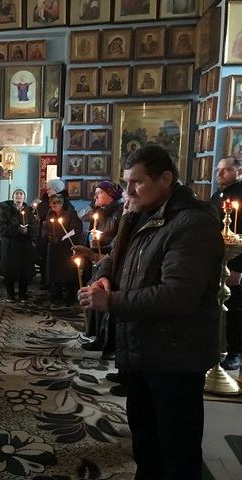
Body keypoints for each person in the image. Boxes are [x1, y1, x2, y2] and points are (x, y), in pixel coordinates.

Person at [78, 145, 223, 479]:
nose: (127, 191)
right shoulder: (140, 213)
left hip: (175, 355)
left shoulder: (193, 223)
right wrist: (103, 277)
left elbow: (178, 296)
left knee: (176, 450)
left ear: (165, 179)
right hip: (142, 348)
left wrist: (111, 302)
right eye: (125, 183)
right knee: (146, 444)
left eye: (137, 182)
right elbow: (115, 258)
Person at [76, 182, 124, 355]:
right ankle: (98, 336)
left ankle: (105, 340)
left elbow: (117, 240)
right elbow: (82, 216)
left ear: (111, 195)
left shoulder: (119, 212)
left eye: (99, 193)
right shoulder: (99, 210)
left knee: (102, 296)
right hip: (98, 257)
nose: (95, 196)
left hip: (108, 258)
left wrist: (101, 245)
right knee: (93, 290)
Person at [210, 156, 242, 370]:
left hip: (235, 261)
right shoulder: (218, 194)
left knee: (234, 308)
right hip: (217, 258)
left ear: (239, 172)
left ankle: (235, 351)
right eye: (218, 169)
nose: (219, 174)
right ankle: (215, 347)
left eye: (226, 170)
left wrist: (238, 268)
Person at [0, 189, 39, 303]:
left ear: (24, 197)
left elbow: (35, 228)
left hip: (24, 246)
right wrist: (16, 229)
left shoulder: (29, 211)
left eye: (21, 194)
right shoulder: (5, 211)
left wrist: (28, 230)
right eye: (17, 194)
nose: (19, 196)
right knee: (9, 272)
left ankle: (23, 294)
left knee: (24, 272)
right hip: (10, 246)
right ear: (13, 197)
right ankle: (10, 294)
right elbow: (1, 228)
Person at [41, 193, 82, 303]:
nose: (53, 206)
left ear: (62, 203)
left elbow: (76, 230)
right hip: (54, 248)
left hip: (66, 248)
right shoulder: (50, 213)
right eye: (51, 204)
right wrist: (48, 236)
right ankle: (56, 292)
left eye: (56, 203)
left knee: (68, 271)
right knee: (54, 271)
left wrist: (61, 238)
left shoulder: (71, 214)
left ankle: (71, 294)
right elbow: (45, 227)